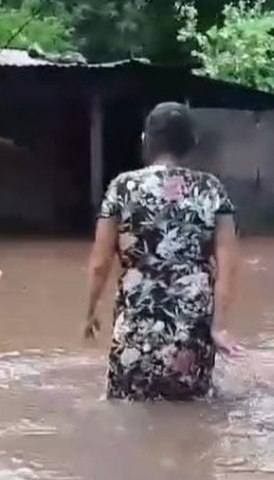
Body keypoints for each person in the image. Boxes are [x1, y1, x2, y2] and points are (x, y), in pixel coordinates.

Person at [83, 102, 243, 401]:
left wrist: (90, 312)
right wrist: (219, 326)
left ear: (146, 140)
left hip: (136, 331)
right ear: (191, 143)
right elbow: (229, 264)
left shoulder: (122, 187)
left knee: (124, 418)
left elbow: (99, 263)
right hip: (192, 333)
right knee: (194, 421)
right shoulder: (212, 189)